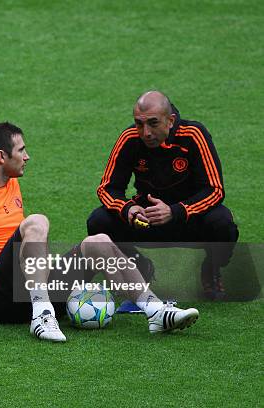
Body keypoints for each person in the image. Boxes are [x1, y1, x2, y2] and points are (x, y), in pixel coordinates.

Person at [0, 122, 199, 341]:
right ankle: (42, 315)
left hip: (25, 286)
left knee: (99, 242)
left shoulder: (12, 185)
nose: (27, 156)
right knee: (36, 221)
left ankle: (155, 311)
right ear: (1, 156)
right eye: (21, 150)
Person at [87, 91, 239, 302]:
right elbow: (107, 188)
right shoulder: (129, 138)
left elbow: (214, 190)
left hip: (189, 221)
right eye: (139, 124)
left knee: (222, 223)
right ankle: (138, 267)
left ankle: (212, 269)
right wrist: (128, 209)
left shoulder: (194, 134)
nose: (145, 132)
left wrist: (175, 211)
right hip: (146, 221)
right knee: (98, 221)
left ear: (170, 121)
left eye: (153, 123)